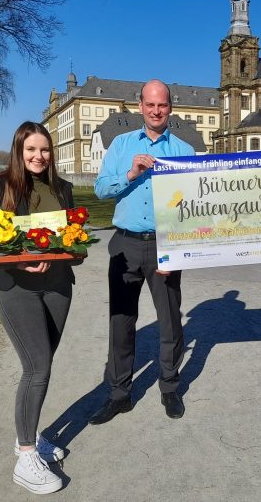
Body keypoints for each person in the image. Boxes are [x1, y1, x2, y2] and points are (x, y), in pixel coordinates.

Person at [0, 122, 78, 494]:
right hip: (16, 287)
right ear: (19, 151)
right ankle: (25, 457)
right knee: (37, 366)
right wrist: (18, 261)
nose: (39, 157)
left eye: (45, 150)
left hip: (57, 287)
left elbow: (72, 241)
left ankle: (30, 434)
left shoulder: (62, 188)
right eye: (31, 150)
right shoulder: (0, 186)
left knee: (42, 365)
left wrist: (73, 249)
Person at [90, 79, 193, 424]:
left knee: (170, 322)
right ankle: (119, 394)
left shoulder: (184, 150)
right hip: (126, 243)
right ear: (140, 106)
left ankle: (169, 387)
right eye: (150, 104)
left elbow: (192, 206)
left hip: (166, 243)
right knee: (122, 322)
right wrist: (131, 173)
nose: (156, 110)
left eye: (162, 105)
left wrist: (177, 250)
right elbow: (102, 189)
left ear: (170, 108)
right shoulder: (120, 145)